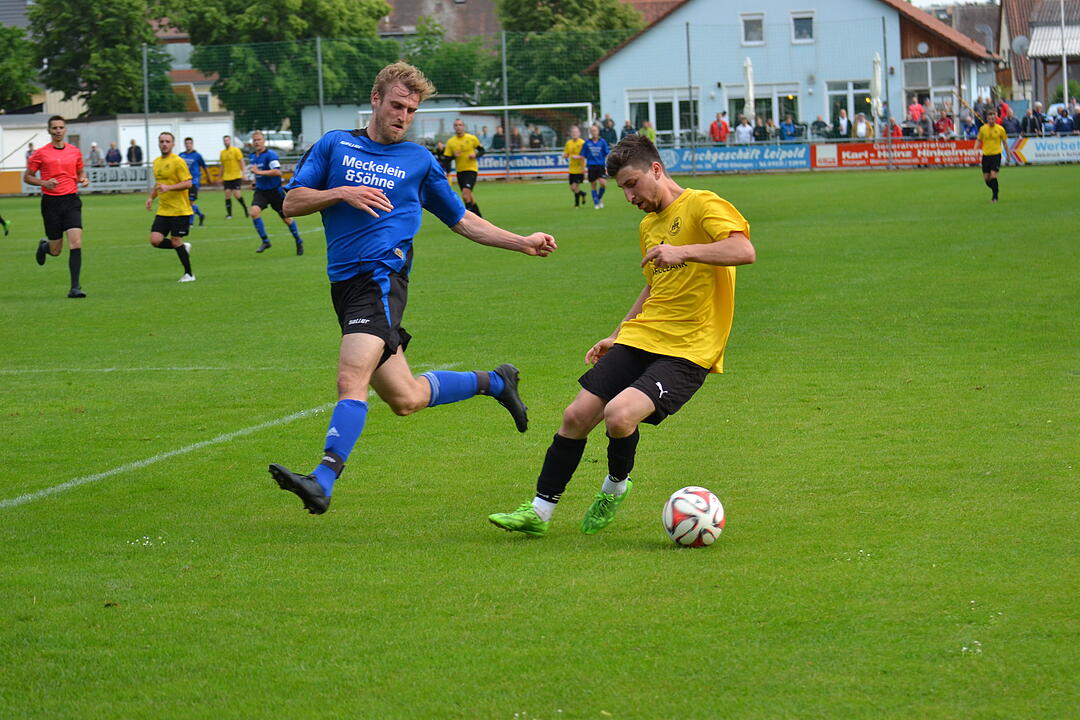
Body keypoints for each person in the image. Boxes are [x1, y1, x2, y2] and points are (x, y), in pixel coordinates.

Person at [269, 62, 557, 515]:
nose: (404, 116)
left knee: (351, 379)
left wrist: (522, 242)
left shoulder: (419, 162)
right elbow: (292, 201)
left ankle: (322, 480)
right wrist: (341, 192)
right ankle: (496, 382)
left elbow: (462, 220)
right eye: (397, 105)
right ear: (376, 100)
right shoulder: (334, 145)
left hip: (379, 281)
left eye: (412, 110)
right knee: (405, 398)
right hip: (344, 288)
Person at [488, 134, 755, 538]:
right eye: (622, 189)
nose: (629, 196)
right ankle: (539, 512)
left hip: (689, 348)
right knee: (576, 415)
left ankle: (614, 487)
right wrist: (617, 334)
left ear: (656, 170)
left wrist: (683, 251)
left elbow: (743, 250)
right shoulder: (650, 226)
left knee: (619, 415)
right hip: (643, 335)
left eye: (632, 184)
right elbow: (654, 286)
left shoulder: (702, 204)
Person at [24, 115, 90, 298]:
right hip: (51, 203)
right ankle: (45, 247)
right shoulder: (40, 153)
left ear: (65, 129)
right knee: (56, 250)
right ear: (49, 131)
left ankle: (75, 287)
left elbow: (80, 171)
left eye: (61, 127)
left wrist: (83, 178)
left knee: (76, 242)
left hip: (71, 201)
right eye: (54, 128)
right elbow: (27, 177)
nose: (58, 131)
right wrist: (43, 183)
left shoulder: (74, 151)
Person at [145, 131, 196, 282]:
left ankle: (189, 274)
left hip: (180, 210)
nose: (164, 144)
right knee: (155, 240)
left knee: (175, 240)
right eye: (162, 141)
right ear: (158, 143)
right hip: (164, 210)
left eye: (167, 141)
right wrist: (151, 197)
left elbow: (188, 183)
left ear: (173, 144)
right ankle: (182, 247)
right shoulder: (156, 162)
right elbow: (159, 185)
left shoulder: (178, 161)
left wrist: (170, 187)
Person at [248, 130, 303, 254]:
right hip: (261, 191)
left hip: (275, 192)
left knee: (287, 219)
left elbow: (277, 172)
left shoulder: (271, 155)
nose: (256, 142)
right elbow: (256, 173)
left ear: (264, 141)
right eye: (254, 140)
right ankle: (265, 241)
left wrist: (258, 173)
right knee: (254, 212)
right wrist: (255, 181)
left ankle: (298, 240)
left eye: (259, 140)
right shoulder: (252, 156)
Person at [444, 117, 484, 217]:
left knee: (465, 195)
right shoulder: (451, 142)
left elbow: (482, 151)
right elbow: (446, 159)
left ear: (464, 126)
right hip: (460, 171)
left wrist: (475, 155)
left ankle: (469, 218)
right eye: (456, 125)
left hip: (471, 170)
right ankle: (480, 218)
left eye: (460, 125)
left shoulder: (471, 138)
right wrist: (454, 156)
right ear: (454, 127)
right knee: (469, 197)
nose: (458, 127)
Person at [974, 110, 1007, 203]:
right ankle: (995, 189)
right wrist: (975, 149)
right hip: (986, 156)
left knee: (993, 176)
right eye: (989, 119)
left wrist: (1008, 155)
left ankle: (995, 196)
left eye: (993, 118)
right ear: (987, 119)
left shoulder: (1000, 129)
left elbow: (1004, 143)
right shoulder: (983, 129)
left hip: (996, 155)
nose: (991, 120)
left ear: (995, 118)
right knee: (987, 179)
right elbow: (978, 140)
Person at [179, 137, 208, 226]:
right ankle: (200, 214)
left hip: (194, 182)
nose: (188, 145)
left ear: (192, 144)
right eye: (186, 143)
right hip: (184, 181)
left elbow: (204, 166)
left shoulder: (197, 155)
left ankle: (190, 222)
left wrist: (208, 177)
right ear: (184, 144)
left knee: (190, 202)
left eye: (190, 143)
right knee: (186, 202)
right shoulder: (181, 155)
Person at [582, 124, 610, 210]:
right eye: (592, 131)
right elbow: (583, 155)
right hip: (591, 166)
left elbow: (607, 154)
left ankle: (598, 198)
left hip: (601, 166)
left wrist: (608, 166)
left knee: (603, 184)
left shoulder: (602, 142)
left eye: (595, 130)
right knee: (593, 185)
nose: (594, 132)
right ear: (590, 132)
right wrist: (583, 167)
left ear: (598, 132)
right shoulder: (587, 143)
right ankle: (596, 203)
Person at [220, 135, 248, 219]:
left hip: (236, 176)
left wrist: (243, 173)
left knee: (237, 195)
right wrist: (220, 176)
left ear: (230, 141)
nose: (226, 142)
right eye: (225, 140)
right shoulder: (222, 153)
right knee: (227, 194)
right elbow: (222, 165)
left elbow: (241, 162)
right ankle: (229, 214)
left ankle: (245, 208)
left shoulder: (236, 150)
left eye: (227, 140)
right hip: (226, 177)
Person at [563, 125, 586, 207]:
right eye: (573, 132)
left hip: (579, 169)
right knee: (573, 188)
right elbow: (566, 153)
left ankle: (576, 204)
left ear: (579, 133)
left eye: (576, 132)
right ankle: (583, 194)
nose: (574, 134)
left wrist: (579, 158)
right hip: (572, 168)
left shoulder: (582, 143)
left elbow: (585, 155)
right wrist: (565, 155)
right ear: (570, 134)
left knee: (575, 186)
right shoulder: (568, 143)